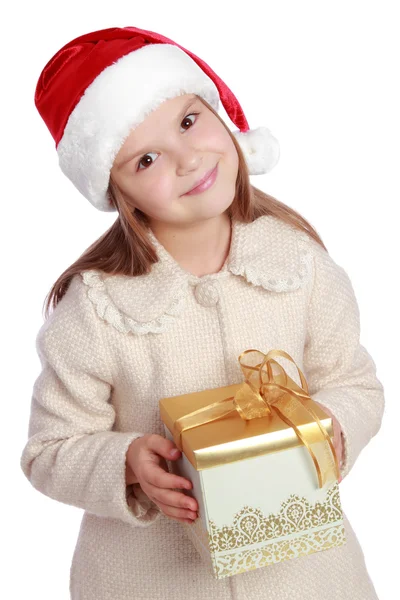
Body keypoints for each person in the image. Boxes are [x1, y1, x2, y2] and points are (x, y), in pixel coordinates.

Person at [20, 25, 384, 600]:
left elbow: (354, 382)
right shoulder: (96, 311)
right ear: (119, 192)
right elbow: (49, 452)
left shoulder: (299, 265)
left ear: (219, 109)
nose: (188, 160)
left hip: (311, 580)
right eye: (146, 159)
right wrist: (127, 463)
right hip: (146, 583)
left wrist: (332, 428)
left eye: (189, 121)